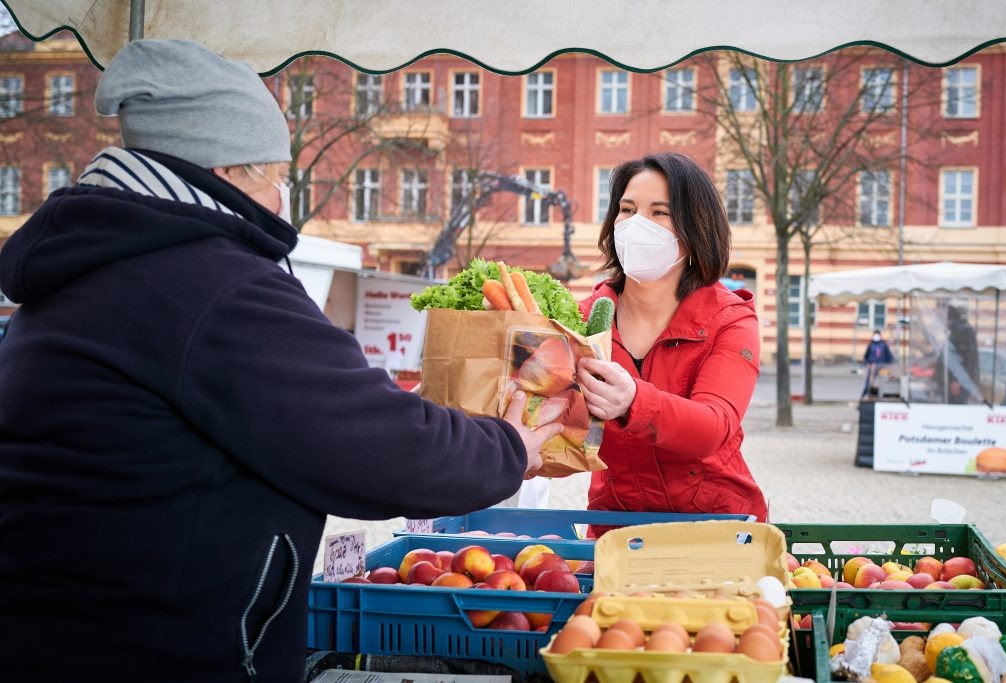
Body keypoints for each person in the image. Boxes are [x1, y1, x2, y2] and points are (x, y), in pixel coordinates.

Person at [0, 40, 562, 682]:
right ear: (229, 169)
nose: (279, 191)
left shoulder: (91, 270)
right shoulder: (211, 284)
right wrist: (506, 448)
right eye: (273, 170)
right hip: (154, 652)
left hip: (57, 635)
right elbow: (369, 442)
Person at [574, 152, 768, 527]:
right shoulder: (582, 320)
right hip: (618, 530)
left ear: (694, 228)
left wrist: (632, 401)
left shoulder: (729, 320)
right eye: (627, 210)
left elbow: (713, 428)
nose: (636, 225)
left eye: (659, 213)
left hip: (715, 530)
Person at [935, 305, 980, 404]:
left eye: (941, 318)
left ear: (948, 318)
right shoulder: (956, 330)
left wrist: (957, 381)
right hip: (951, 381)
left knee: (956, 409)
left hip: (958, 384)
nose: (939, 321)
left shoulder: (963, 331)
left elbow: (966, 359)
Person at [861, 329, 895, 398]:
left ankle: (877, 396)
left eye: (877, 335)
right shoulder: (871, 345)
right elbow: (866, 356)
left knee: (880, 383)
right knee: (869, 383)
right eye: (875, 335)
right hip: (872, 366)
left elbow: (889, 356)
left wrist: (887, 366)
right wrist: (867, 363)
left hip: (881, 367)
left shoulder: (883, 345)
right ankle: (864, 397)